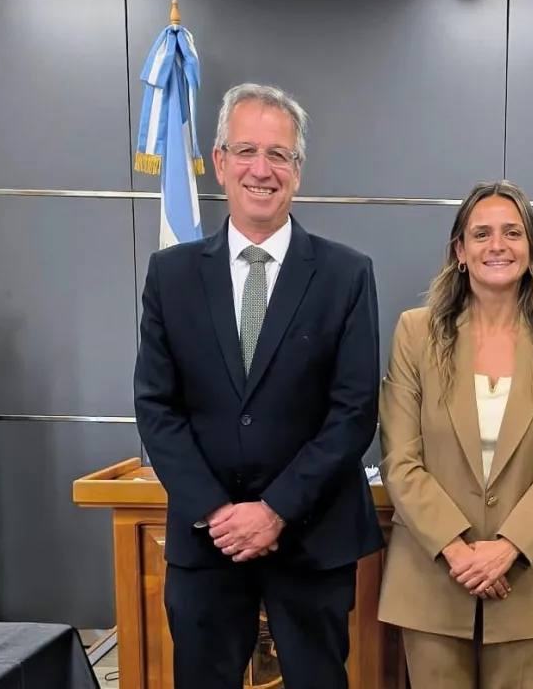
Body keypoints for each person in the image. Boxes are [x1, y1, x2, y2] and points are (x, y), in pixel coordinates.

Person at [133, 83, 384, 689]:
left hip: (312, 535)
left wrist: (274, 511)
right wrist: (219, 511)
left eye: (279, 155)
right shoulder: (171, 275)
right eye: (246, 150)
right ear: (219, 162)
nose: (261, 169)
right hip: (206, 538)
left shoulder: (347, 274)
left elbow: (353, 413)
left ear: (298, 171)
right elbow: (156, 407)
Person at [376, 180, 533, 689]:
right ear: (460, 251)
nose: (497, 245)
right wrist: (458, 550)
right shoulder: (416, 332)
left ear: (532, 249)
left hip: (522, 581)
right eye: (482, 234)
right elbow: (400, 458)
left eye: (513, 233)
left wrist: (507, 549)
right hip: (432, 579)